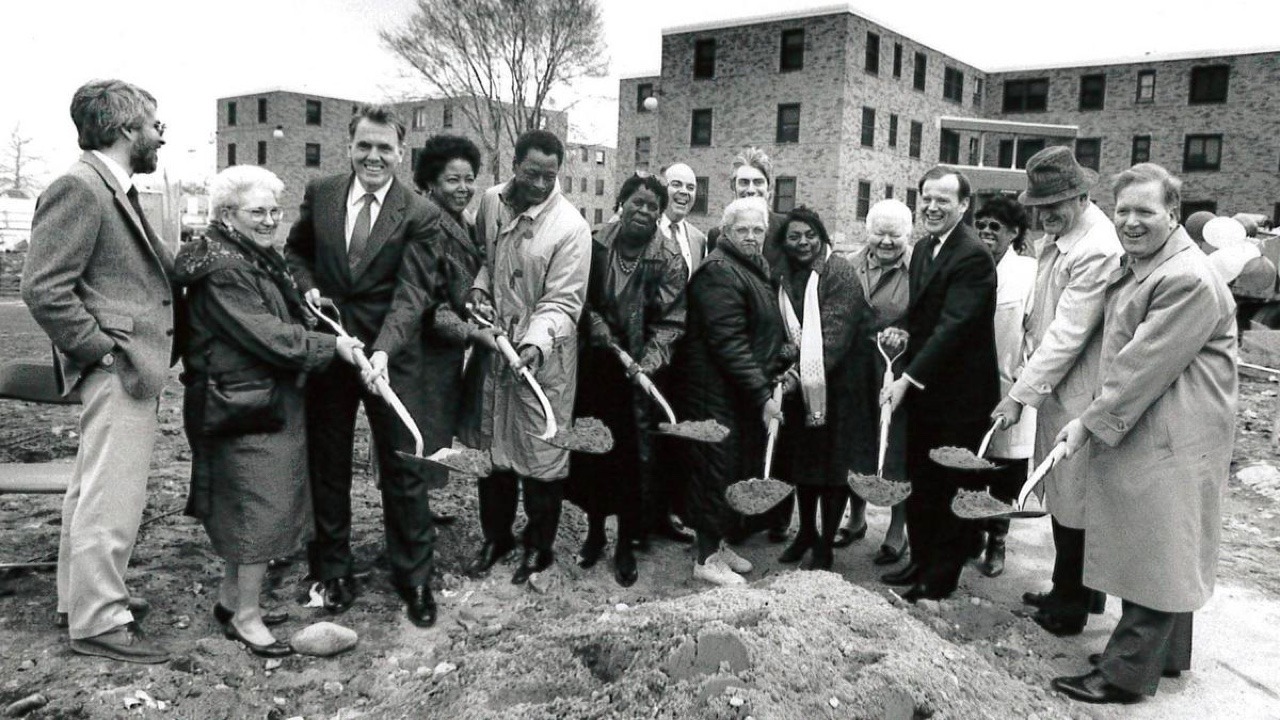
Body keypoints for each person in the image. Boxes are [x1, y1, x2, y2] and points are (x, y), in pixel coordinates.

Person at [1051, 163, 1237, 704]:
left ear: (1173, 213)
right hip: (1165, 424)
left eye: (1145, 211)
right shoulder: (1148, 264)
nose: (1131, 222)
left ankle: (1126, 673)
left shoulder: (1184, 278)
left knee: (1157, 545)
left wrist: (1087, 423)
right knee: (1168, 542)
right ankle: (1164, 655)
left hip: (1175, 430)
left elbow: (1140, 367)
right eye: (1123, 211)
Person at [175, 166, 363, 657]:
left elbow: (281, 314)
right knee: (258, 508)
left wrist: (310, 309)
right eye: (257, 211)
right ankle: (247, 616)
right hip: (242, 401)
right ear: (226, 215)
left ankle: (230, 598)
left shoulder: (247, 255)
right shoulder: (227, 269)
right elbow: (267, 335)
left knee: (249, 504)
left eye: (275, 211)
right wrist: (332, 347)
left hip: (252, 398)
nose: (269, 220)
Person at [22, 79, 177, 663]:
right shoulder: (81, 188)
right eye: (153, 124)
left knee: (92, 491)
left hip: (123, 367)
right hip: (118, 368)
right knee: (112, 498)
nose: (161, 134)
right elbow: (42, 287)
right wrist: (102, 351)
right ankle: (99, 621)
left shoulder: (113, 187)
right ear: (123, 129)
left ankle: (81, 602)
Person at [284, 105, 444, 627]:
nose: (374, 157)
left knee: (404, 469)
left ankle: (414, 579)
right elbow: (296, 253)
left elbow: (413, 291)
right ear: (349, 146)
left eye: (385, 148)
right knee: (328, 464)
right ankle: (333, 570)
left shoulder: (419, 212)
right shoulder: (322, 194)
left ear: (401, 152)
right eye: (364, 146)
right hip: (330, 350)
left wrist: (382, 351)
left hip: (389, 357)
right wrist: (307, 288)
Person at [990, 146, 1122, 634]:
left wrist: (1019, 395)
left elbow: (1068, 332)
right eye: (1038, 207)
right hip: (1057, 383)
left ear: (1082, 195)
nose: (1044, 216)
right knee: (1065, 497)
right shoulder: (1063, 234)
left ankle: (1070, 605)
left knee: (1074, 499)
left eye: (1054, 206)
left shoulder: (1096, 248)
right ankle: (1074, 591)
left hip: (1080, 388)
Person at [462, 129, 592, 585]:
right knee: (492, 448)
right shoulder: (492, 201)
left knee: (542, 454)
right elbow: (484, 257)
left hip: (544, 357)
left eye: (550, 176)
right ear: (513, 164)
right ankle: (495, 536)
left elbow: (563, 302)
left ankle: (540, 546)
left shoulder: (571, 228)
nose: (540, 184)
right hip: (496, 349)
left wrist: (535, 343)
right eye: (531, 173)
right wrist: (479, 288)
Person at [882, 166, 998, 602]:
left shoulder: (971, 254)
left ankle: (939, 577)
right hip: (928, 390)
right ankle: (920, 560)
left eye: (943, 201)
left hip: (960, 396)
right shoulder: (927, 247)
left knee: (950, 486)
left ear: (964, 206)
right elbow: (926, 311)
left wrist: (907, 380)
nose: (932, 207)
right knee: (922, 480)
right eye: (926, 198)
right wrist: (904, 329)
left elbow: (954, 326)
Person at [565, 175, 686, 586]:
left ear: (661, 214)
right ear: (621, 203)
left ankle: (624, 545)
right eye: (637, 202)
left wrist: (646, 365)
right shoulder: (595, 242)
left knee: (631, 462)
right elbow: (574, 291)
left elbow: (672, 322)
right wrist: (592, 319)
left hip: (639, 375)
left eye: (653, 207)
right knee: (593, 453)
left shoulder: (667, 256)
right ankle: (595, 534)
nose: (645, 211)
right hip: (594, 367)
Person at [366, 134, 487, 527]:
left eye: (469, 179)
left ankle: (418, 510)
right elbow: (428, 304)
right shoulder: (423, 222)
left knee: (432, 433)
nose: (464, 188)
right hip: (414, 349)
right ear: (431, 182)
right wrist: (472, 332)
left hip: (442, 355)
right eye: (453, 180)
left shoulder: (465, 224)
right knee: (409, 434)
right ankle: (407, 523)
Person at [677, 196, 790, 586]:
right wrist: (761, 394)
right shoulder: (719, 272)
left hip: (735, 388)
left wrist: (781, 353)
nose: (752, 236)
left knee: (731, 469)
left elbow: (757, 330)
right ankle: (705, 557)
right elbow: (729, 343)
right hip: (714, 390)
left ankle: (719, 544)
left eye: (758, 230)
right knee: (715, 470)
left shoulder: (752, 268)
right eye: (742, 229)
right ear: (725, 232)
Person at [772, 207, 865, 570]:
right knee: (804, 464)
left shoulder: (838, 272)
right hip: (799, 383)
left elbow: (833, 338)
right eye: (794, 236)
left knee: (832, 467)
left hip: (837, 384)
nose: (803, 242)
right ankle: (806, 531)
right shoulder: (786, 274)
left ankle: (825, 543)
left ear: (822, 236)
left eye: (810, 234)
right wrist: (784, 360)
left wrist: (795, 374)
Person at [837, 199, 913, 564]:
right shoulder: (849, 265)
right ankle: (856, 517)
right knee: (858, 440)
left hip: (897, 371)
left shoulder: (920, 269)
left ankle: (898, 529)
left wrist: (907, 334)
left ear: (908, 236)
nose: (885, 242)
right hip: (856, 369)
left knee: (895, 446)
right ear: (866, 232)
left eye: (894, 235)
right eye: (878, 233)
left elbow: (931, 317)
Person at [974, 195, 1037, 578]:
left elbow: (1035, 329)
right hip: (968, 385)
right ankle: (969, 534)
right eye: (981, 224)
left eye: (995, 226)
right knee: (970, 465)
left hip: (1009, 384)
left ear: (1014, 232)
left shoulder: (1029, 272)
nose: (986, 232)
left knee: (1004, 470)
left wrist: (1023, 382)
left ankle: (997, 539)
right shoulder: (969, 264)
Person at [705, 147, 787, 282]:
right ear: (733, 187)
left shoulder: (786, 230)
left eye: (758, 182)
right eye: (744, 182)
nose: (750, 190)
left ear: (769, 187)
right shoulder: (717, 235)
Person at [659, 162, 708, 278]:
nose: (684, 191)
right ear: (663, 188)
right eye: (676, 184)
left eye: (690, 188)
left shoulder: (699, 240)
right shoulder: (647, 229)